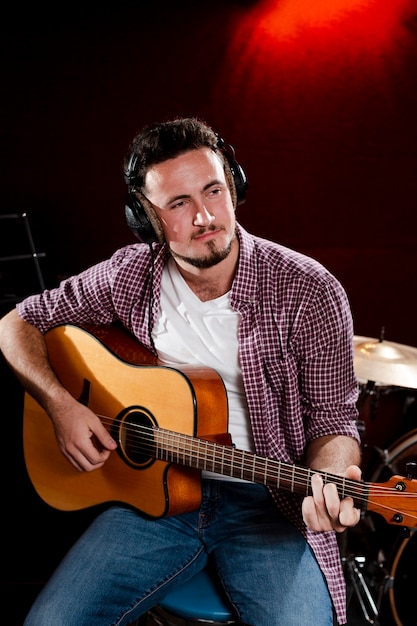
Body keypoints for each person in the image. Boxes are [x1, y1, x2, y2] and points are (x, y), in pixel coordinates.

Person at [0, 116, 362, 626]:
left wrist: (327, 481)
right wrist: (60, 405)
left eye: (213, 191)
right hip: (157, 496)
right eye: (177, 203)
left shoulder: (308, 290)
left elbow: (333, 419)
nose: (203, 217)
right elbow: (15, 324)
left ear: (233, 187)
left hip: (268, 503)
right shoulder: (129, 274)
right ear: (147, 218)